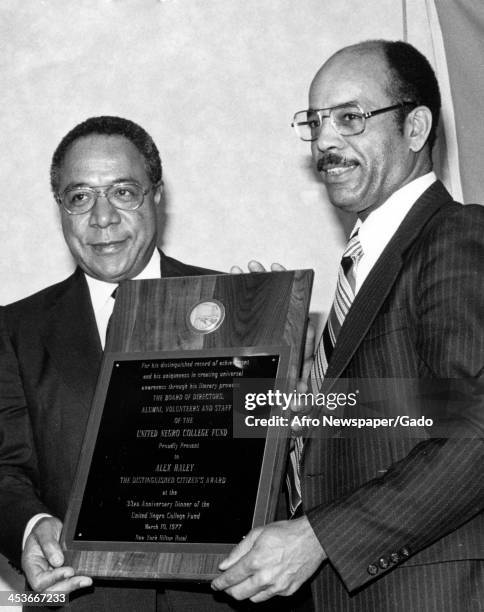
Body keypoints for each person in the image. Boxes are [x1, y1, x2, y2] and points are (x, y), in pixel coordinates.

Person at [212, 40, 484, 611]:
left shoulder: (455, 236)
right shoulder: (365, 264)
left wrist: (318, 537)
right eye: (316, 123)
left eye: (351, 118)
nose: (326, 142)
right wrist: (276, 375)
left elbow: (474, 427)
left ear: (415, 128)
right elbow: (400, 414)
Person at [0, 115, 260, 611]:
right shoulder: (14, 330)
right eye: (79, 197)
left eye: (123, 192)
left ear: (157, 195)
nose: (102, 218)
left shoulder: (240, 309)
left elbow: (284, 461)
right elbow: (4, 470)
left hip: (223, 600)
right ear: (60, 208)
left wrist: (284, 368)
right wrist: (32, 527)